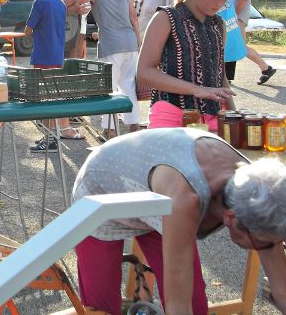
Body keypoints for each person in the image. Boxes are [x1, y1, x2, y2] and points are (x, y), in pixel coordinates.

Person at [72, 128, 286, 315]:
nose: (267, 248)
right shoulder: (185, 199)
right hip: (101, 189)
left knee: (197, 305)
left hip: (155, 192)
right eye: (262, 243)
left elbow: (283, 289)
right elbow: (179, 309)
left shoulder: (262, 189)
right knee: (100, 309)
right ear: (230, 217)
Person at [137, 0, 238, 131]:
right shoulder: (166, 18)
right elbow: (144, 72)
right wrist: (196, 89)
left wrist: (234, 115)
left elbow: (219, 74)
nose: (220, 4)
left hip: (213, 118)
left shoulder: (218, 25)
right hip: (171, 116)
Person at [65, 0, 142, 137]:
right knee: (129, 86)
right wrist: (139, 40)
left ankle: (110, 130)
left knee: (109, 88)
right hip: (130, 42)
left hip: (110, 44)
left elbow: (70, 1)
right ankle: (134, 127)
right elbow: (133, 17)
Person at [24, 0, 78, 151]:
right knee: (54, 93)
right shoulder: (61, 4)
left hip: (42, 53)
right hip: (57, 53)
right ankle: (55, 133)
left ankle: (50, 137)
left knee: (44, 96)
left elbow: (28, 30)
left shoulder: (39, 4)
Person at [224, 0, 276, 85]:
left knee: (240, 46)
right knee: (230, 45)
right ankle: (226, 77)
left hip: (237, 17)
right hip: (233, 16)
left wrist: (232, 16)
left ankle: (265, 68)